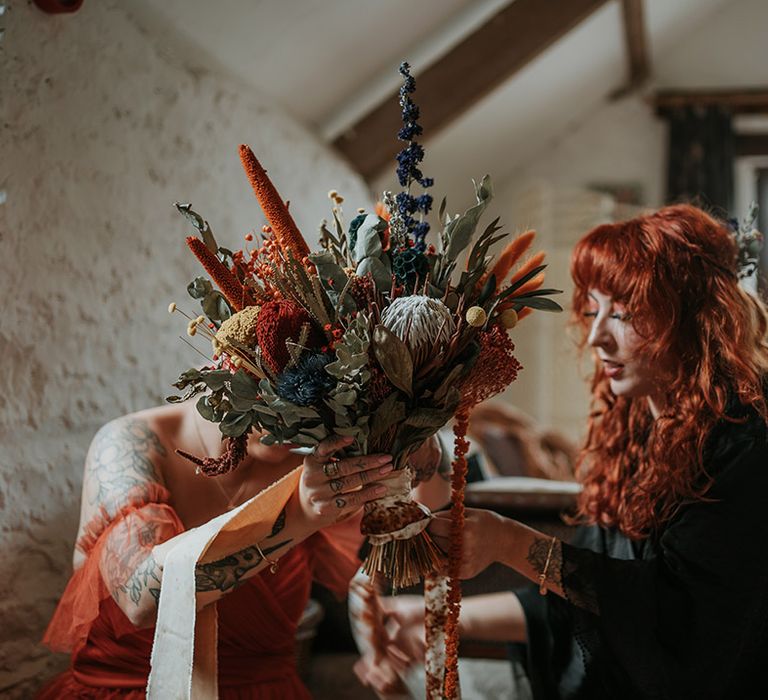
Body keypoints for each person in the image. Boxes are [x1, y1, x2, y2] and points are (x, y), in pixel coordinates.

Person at [382, 204, 768, 699]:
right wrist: (431, 616)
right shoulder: (632, 432)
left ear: (691, 317)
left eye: (624, 313)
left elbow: (680, 632)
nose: (596, 336)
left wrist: (511, 543)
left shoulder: (743, 448)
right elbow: (586, 598)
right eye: (593, 310)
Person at [39, 397, 446, 698]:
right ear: (228, 357)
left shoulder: (317, 466)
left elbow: (429, 507)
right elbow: (142, 599)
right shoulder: (132, 443)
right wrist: (298, 516)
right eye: (278, 390)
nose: (293, 425)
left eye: (317, 403)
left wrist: (408, 426)